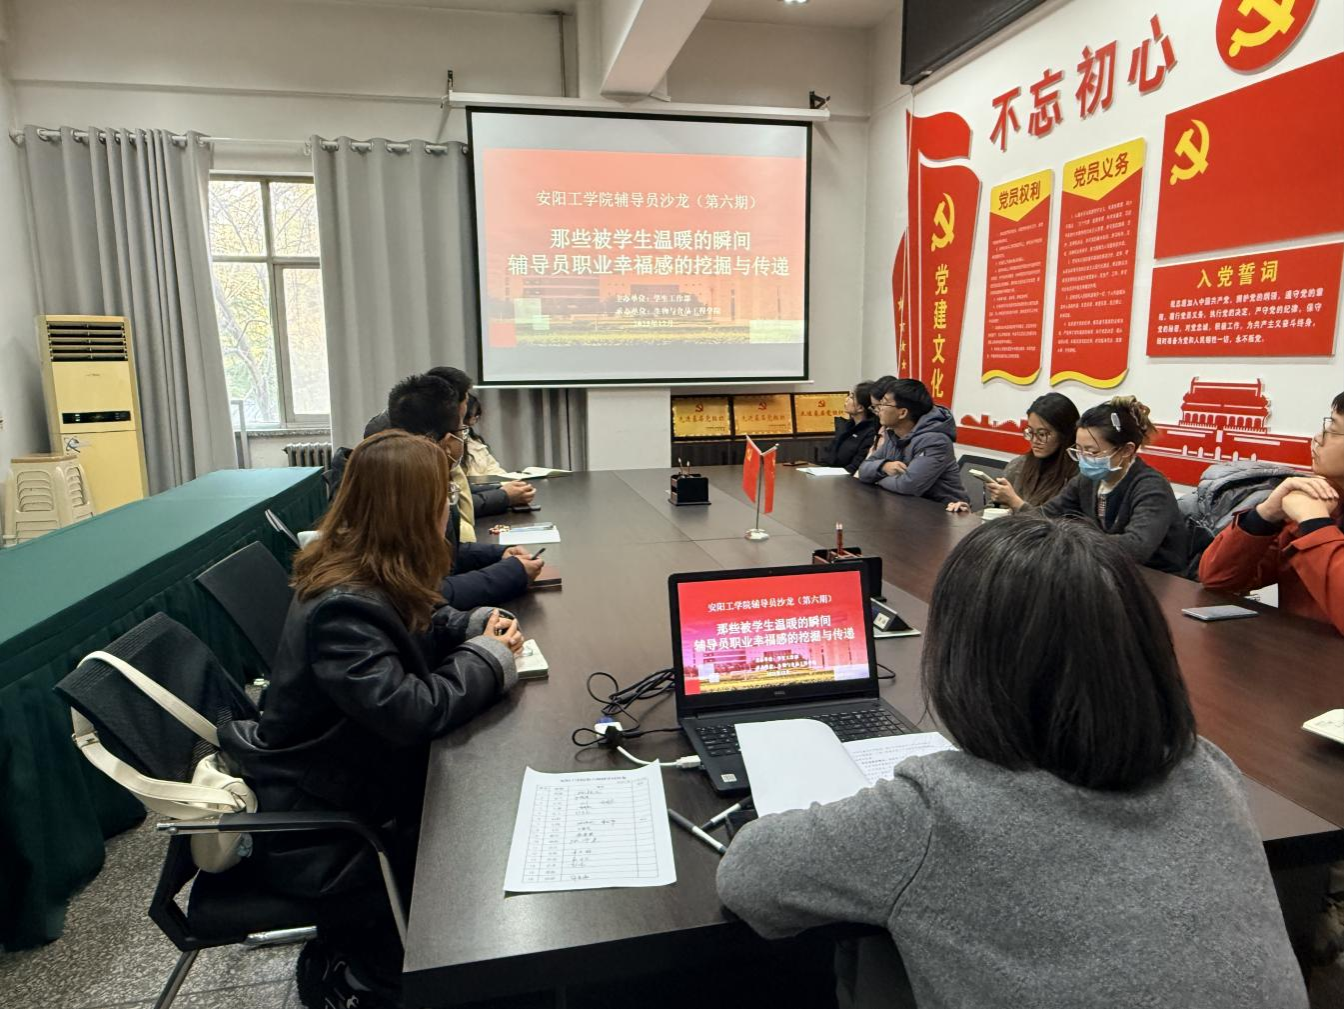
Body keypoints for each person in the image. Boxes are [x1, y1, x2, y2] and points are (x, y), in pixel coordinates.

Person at [716, 517, 1306, 1009]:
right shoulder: (1208, 768)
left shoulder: (936, 812)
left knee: (870, 954)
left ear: (963, 661)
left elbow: (750, 878)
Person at [221, 430, 526, 1008]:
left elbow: (420, 620)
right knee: (491, 814)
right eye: (439, 501)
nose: (446, 513)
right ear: (411, 512)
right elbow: (412, 712)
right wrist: (488, 657)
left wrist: (472, 626)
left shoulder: (367, 570)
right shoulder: (342, 605)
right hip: (331, 826)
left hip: (356, 779)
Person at [383, 373, 542, 608]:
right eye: (463, 431)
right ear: (449, 441)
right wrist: (512, 573)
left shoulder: (393, 464)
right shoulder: (405, 488)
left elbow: (442, 553)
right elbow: (423, 594)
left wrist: (498, 555)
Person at [1199, 392, 1344, 634]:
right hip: (1295, 652)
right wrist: (1265, 514)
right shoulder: (1321, 500)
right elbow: (1217, 579)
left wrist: (1316, 525)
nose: (1318, 438)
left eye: (1333, 430)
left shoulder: (1314, 513)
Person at [1023, 395, 1187, 574]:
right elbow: (1047, 513)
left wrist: (1072, 538)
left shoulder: (1152, 488)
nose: (1083, 459)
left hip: (1156, 577)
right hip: (1105, 569)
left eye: (1092, 452)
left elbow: (1136, 547)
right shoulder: (1087, 480)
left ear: (1127, 450)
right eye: (1079, 450)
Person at [947, 392, 1079, 513]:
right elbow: (996, 509)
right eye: (1030, 432)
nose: (1034, 440)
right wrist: (970, 516)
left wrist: (1016, 503)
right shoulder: (1019, 465)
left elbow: (1060, 525)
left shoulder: (1077, 477)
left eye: (1042, 434)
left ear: (1065, 434)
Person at [856, 377, 969, 506]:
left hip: (943, 512)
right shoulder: (893, 434)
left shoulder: (935, 441)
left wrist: (876, 480)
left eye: (885, 404)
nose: (879, 409)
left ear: (902, 413)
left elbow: (908, 486)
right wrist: (883, 467)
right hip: (904, 506)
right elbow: (863, 469)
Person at [820, 381, 879, 474]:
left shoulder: (871, 432)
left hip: (848, 479)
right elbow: (829, 456)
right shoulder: (846, 426)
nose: (846, 399)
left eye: (851, 397)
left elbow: (856, 467)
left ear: (860, 408)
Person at [464, 393, 509, 478]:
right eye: (474, 415)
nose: (476, 419)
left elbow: (493, 469)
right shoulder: (450, 442)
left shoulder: (475, 441)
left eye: (477, 415)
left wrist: (507, 482)